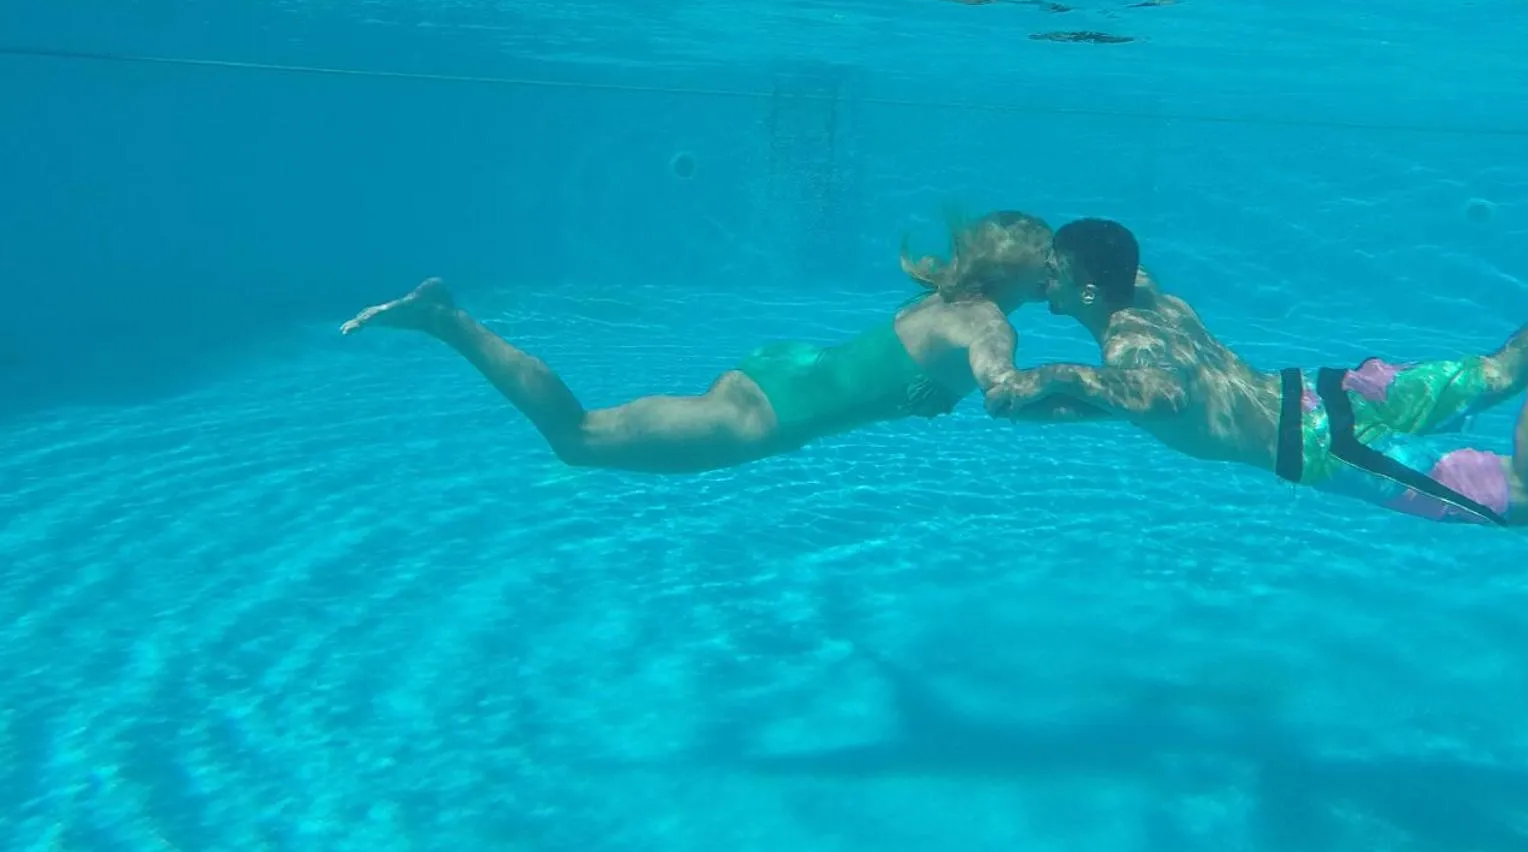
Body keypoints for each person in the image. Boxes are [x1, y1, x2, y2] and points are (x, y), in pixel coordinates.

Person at [985, 218, 1528, 527]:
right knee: (1503, 364)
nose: (1042, 284)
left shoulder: (1126, 350)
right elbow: (1162, 397)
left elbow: (1157, 393)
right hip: (1330, 388)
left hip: (1324, 441)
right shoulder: (1152, 300)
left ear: (1085, 284)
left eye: (1050, 274)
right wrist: (1052, 398)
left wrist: (1045, 375)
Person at [340, 210, 1097, 473]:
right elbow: (1001, 388)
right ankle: (445, 319)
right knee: (578, 438)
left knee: (588, 440)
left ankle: (443, 319)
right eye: (1047, 272)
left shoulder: (950, 295)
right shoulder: (986, 323)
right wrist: (1103, 395)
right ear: (1020, 273)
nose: (1051, 285)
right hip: (762, 416)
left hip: (783, 369)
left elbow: (907, 369)